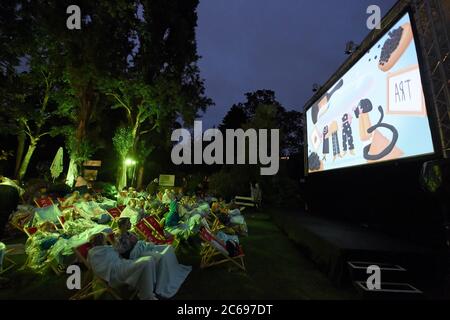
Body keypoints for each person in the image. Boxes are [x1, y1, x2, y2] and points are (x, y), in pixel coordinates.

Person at [87, 233, 158, 300]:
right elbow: (98, 268)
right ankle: (146, 296)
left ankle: (147, 290)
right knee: (146, 262)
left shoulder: (107, 248)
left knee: (149, 260)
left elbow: (120, 251)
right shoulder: (93, 253)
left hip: (122, 265)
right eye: (104, 240)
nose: (106, 242)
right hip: (116, 273)